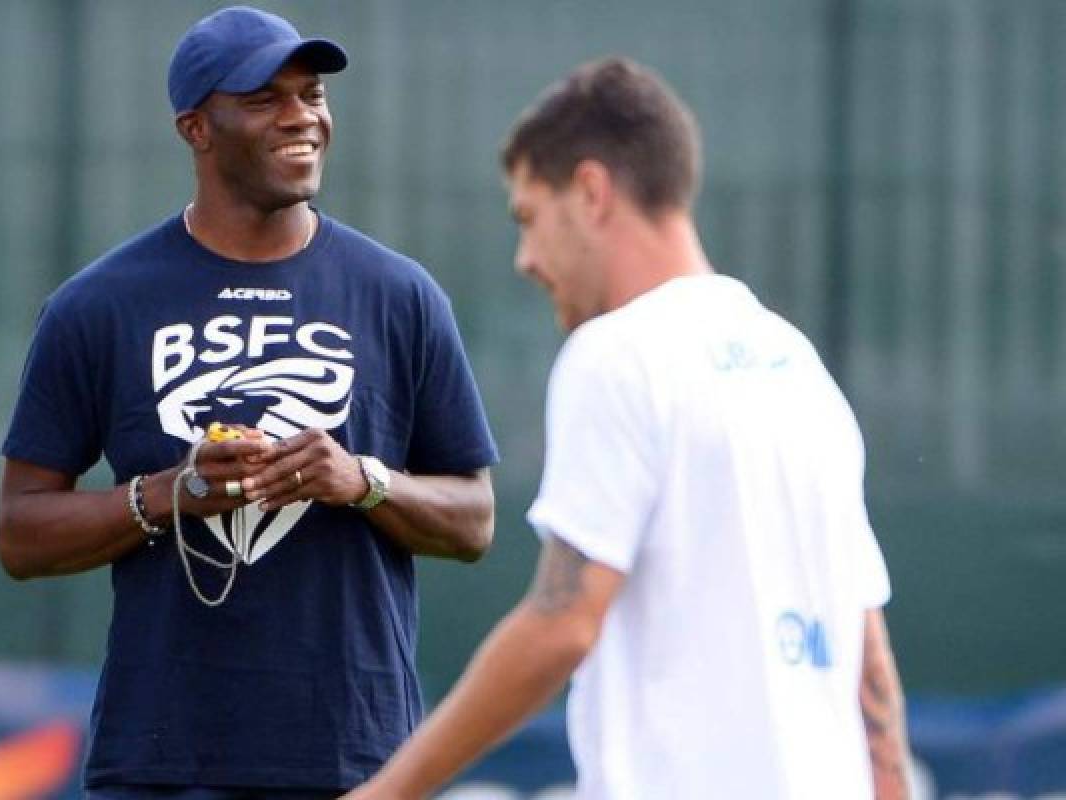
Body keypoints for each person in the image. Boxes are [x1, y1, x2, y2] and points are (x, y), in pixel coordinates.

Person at [345, 58, 910, 800]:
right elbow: (870, 657)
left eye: (528, 217)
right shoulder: (802, 371)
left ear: (589, 191)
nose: (526, 259)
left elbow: (561, 622)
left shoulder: (615, 355)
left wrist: (384, 792)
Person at [0, 6, 498, 799]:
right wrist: (171, 494)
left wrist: (360, 479)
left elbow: (475, 519)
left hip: (354, 759)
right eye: (265, 98)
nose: (302, 117)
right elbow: (20, 534)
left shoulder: (399, 296)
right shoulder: (98, 305)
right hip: (163, 765)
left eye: (313, 93)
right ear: (197, 128)